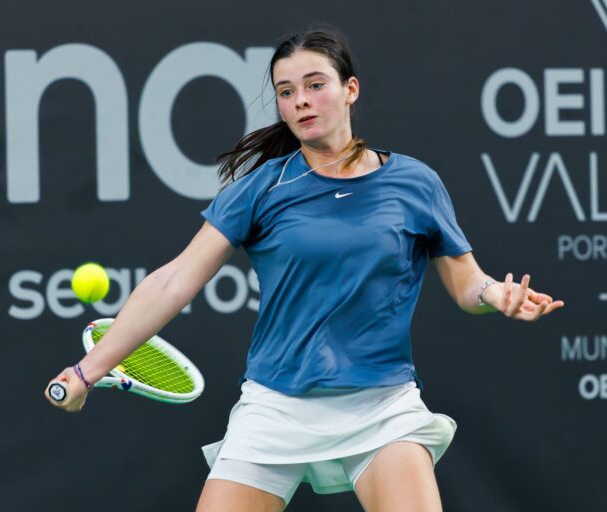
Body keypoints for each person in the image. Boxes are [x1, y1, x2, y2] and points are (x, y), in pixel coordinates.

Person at [45, 28, 564, 512]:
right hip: (275, 407)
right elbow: (173, 282)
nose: (301, 102)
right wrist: (84, 372)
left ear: (350, 90)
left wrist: (496, 294)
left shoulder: (415, 183)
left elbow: (465, 283)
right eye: (287, 91)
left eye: (315, 85)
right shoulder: (262, 188)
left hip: (382, 408)